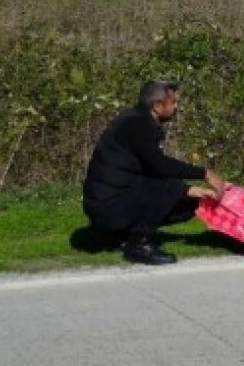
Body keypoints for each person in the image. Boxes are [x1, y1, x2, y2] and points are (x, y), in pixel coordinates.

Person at [83, 80, 227, 265]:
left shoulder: (141, 121)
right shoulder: (136, 125)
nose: (177, 107)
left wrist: (198, 192)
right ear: (157, 106)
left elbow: (151, 173)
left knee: (193, 203)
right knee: (170, 185)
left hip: (120, 198)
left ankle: (123, 236)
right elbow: (160, 166)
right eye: (173, 103)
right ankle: (138, 245)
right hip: (106, 207)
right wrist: (205, 174)